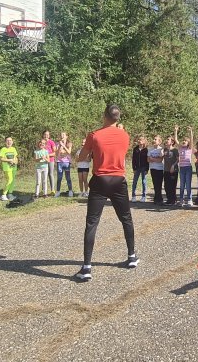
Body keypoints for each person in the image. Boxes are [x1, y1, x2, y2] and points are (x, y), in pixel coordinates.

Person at [75, 104, 138, 281]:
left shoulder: (94, 135)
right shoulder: (125, 135)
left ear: (104, 115)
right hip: (118, 180)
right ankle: (132, 257)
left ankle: (87, 267)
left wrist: (91, 154)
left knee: (92, 223)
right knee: (126, 219)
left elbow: (82, 157)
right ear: (118, 118)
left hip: (100, 180)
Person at [177, 127, 194, 207]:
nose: (184, 141)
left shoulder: (189, 148)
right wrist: (176, 131)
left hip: (188, 168)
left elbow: (192, 140)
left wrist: (190, 131)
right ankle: (181, 199)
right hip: (182, 168)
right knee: (181, 185)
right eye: (183, 140)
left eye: (186, 141)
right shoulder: (180, 148)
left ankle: (190, 200)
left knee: (188, 185)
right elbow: (176, 140)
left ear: (188, 143)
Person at [0, 136, 18, 202]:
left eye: (10, 140)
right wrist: (9, 160)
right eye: (7, 140)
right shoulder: (3, 149)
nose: (9, 142)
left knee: (12, 181)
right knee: (9, 180)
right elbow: (1, 158)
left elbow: (16, 157)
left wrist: (16, 161)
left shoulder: (13, 149)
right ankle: (3, 195)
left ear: (12, 142)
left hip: (14, 167)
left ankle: (10, 194)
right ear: (5, 142)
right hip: (7, 168)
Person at [131, 135, 149, 203]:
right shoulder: (135, 149)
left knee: (144, 182)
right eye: (138, 140)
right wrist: (134, 168)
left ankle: (144, 196)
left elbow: (147, 160)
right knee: (134, 181)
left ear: (144, 141)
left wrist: (147, 169)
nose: (139, 141)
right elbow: (133, 159)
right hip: (137, 168)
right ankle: (133, 196)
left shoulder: (146, 150)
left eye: (141, 140)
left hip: (144, 167)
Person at [163, 132, 179, 206]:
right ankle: (169, 199)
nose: (166, 140)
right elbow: (161, 156)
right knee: (166, 185)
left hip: (173, 170)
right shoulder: (165, 149)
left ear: (172, 142)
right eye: (166, 139)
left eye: (168, 139)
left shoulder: (175, 150)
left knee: (172, 185)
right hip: (166, 170)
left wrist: (173, 165)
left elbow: (178, 159)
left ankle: (173, 200)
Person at [148, 136, 165, 205]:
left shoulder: (161, 149)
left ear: (159, 142)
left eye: (155, 139)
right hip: (153, 168)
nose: (154, 140)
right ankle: (157, 198)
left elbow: (160, 160)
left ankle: (159, 199)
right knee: (155, 184)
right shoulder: (150, 149)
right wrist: (156, 159)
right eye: (153, 139)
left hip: (160, 169)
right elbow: (148, 160)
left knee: (159, 184)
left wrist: (153, 159)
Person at [42, 130, 57, 195]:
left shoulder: (51, 142)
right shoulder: (41, 142)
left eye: (47, 134)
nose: (46, 136)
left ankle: (52, 190)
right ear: (43, 135)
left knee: (50, 174)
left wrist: (47, 155)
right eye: (45, 134)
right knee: (43, 175)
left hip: (51, 160)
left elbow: (54, 153)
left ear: (49, 135)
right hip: (43, 161)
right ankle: (43, 190)